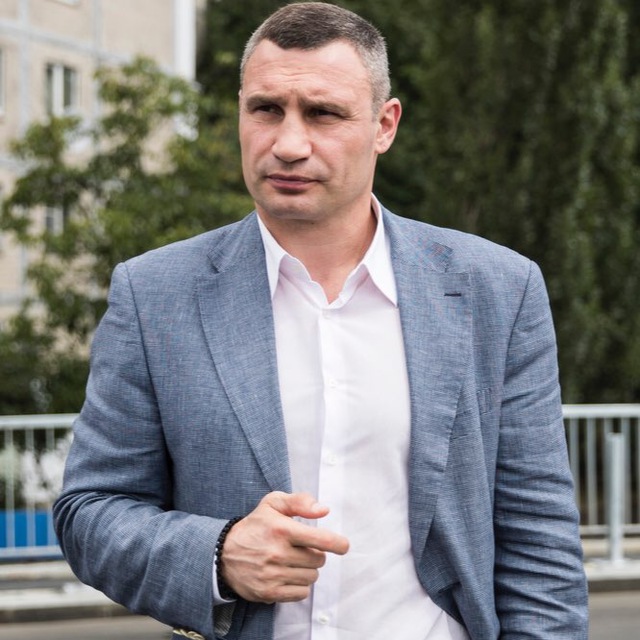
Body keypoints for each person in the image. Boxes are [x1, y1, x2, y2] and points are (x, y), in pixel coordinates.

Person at [53, 3, 589, 639]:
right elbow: (90, 512)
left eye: (323, 113)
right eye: (265, 109)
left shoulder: (496, 289)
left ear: (384, 125)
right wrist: (218, 554)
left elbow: (539, 542)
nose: (288, 144)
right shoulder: (155, 294)